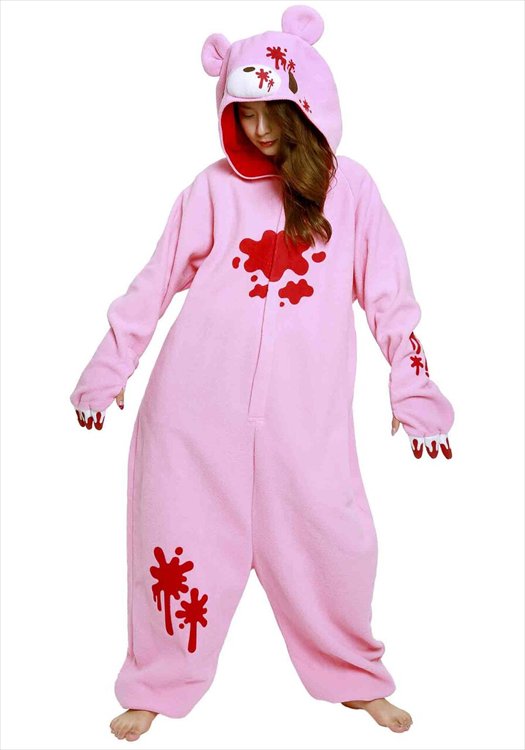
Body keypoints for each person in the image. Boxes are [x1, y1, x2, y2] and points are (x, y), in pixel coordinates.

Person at [70, 4, 454, 742]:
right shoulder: (213, 189)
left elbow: (389, 296)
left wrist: (413, 389)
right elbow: (154, 282)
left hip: (303, 420)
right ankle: (157, 682)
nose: (256, 129)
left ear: (305, 100)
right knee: (175, 543)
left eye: (269, 111)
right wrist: (109, 366)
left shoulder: (352, 190)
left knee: (336, 543)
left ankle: (353, 676)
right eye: (241, 113)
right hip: (193, 411)